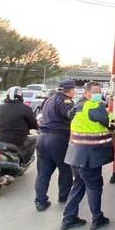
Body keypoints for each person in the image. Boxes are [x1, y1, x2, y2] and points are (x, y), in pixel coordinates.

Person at [61, 82, 114, 230]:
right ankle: (97, 218)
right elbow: (109, 122)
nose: (99, 94)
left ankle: (68, 218)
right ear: (87, 93)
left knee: (78, 185)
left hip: (75, 155)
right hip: (89, 157)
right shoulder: (94, 106)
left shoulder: (77, 106)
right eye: (96, 92)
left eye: (100, 91)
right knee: (94, 187)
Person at [34, 79, 78, 211]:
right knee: (65, 170)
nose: (75, 92)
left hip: (42, 138)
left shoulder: (50, 99)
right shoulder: (65, 101)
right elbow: (72, 115)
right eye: (74, 89)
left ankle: (40, 201)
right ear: (70, 90)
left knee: (43, 172)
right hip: (58, 139)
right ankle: (64, 197)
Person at [0, 86, 38, 164]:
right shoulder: (26, 108)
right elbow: (33, 124)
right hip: (19, 140)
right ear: (21, 96)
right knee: (34, 138)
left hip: (0, 138)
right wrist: (35, 127)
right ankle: (25, 160)